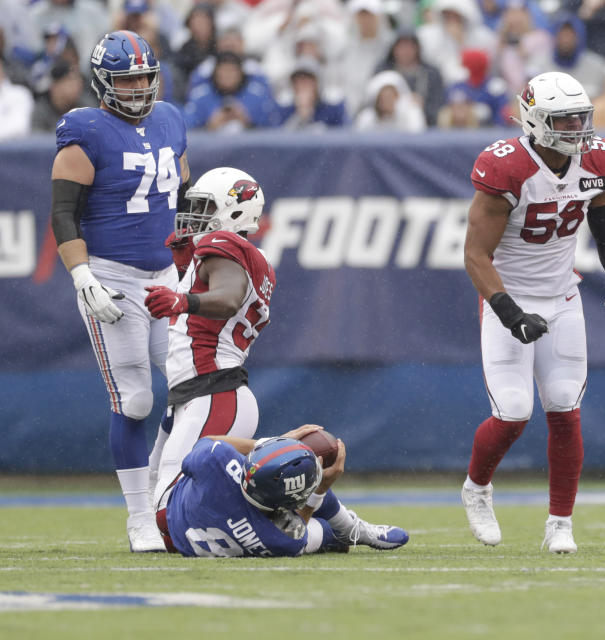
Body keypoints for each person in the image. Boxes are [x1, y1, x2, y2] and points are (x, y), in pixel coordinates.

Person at [461, 71, 605, 554]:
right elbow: (475, 255)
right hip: (509, 296)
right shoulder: (508, 167)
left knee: (564, 405)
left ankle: (560, 522)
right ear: (537, 121)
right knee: (515, 412)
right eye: (566, 119)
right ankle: (477, 488)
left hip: (562, 298)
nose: (579, 127)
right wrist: (509, 312)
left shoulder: (597, 158)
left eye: (582, 116)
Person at [50, 30, 190, 552]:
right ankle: (138, 518)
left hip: (165, 277)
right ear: (103, 82)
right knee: (134, 399)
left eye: (144, 77)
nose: (137, 87)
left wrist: (189, 260)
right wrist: (82, 276)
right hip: (112, 275)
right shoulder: (86, 129)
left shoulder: (172, 119)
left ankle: (155, 491)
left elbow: (180, 195)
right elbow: (63, 212)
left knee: (189, 389)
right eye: (126, 78)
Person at [144, 166, 275, 514]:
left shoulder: (226, 242)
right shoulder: (247, 256)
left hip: (214, 393)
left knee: (166, 510)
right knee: (155, 496)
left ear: (234, 212)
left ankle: (309, 514)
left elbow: (229, 298)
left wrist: (182, 299)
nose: (194, 216)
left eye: (205, 207)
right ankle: (282, 467)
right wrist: (189, 271)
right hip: (199, 393)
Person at [157, 424, 409, 557]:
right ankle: (351, 530)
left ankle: (349, 530)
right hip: (223, 531)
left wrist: (272, 446)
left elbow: (205, 445)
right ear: (282, 508)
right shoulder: (281, 540)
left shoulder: (216, 462)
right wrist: (320, 487)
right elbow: (298, 525)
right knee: (320, 526)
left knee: (293, 474)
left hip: (173, 523)